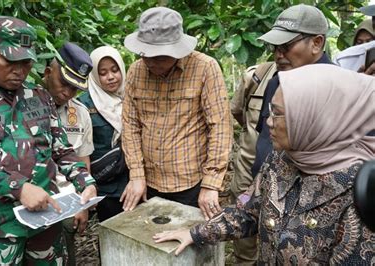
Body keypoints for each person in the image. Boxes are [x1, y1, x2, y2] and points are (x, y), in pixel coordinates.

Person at [153, 64, 375, 265]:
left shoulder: (360, 193)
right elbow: (248, 211)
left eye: (278, 114)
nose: (268, 121)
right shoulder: (282, 159)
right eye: (270, 110)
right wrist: (196, 233)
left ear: (314, 118)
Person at [0, 16, 97, 264]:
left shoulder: (40, 96)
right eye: (10, 60)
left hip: (46, 220)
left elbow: (61, 148)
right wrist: (19, 188)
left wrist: (84, 181)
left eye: (25, 62)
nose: (19, 70)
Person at [120, 6, 233, 221]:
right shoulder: (136, 71)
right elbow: (130, 125)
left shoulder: (205, 68)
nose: (151, 62)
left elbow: (220, 128)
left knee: (190, 247)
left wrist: (211, 184)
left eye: (160, 57)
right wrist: (136, 174)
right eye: (146, 54)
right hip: (148, 182)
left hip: (191, 185)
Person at [251, 4, 332, 179]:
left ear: (316, 43)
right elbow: (264, 140)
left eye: (286, 46)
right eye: (275, 46)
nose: (278, 54)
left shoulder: (341, 89)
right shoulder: (275, 83)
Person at [43, 42, 94, 266]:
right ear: (47, 73)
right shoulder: (18, 105)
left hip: (66, 202)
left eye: (75, 88)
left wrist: (83, 204)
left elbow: (83, 158)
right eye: (64, 83)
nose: (68, 92)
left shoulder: (80, 114)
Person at [230, 61, 277, 264]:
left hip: (286, 175)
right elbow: (238, 111)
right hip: (247, 167)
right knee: (243, 224)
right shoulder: (257, 76)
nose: (280, 53)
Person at [78, 46, 129, 222]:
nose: (111, 77)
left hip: (134, 181)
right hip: (105, 185)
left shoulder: (131, 96)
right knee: (111, 234)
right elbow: (81, 150)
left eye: (115, 70)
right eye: (103, 72)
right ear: (94, 76)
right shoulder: (83, 104)